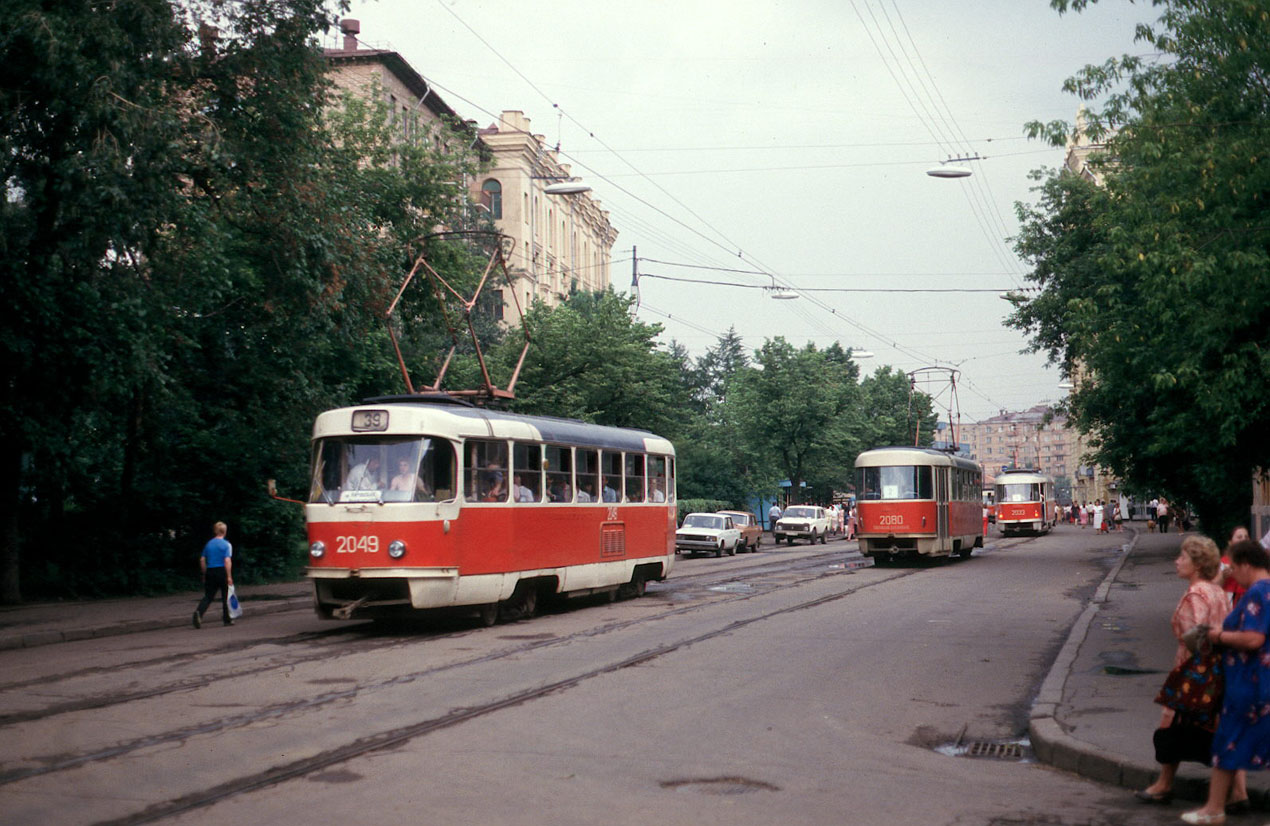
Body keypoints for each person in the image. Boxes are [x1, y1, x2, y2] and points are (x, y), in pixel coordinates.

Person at [1135, 535, 1229, 805]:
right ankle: (1237, 793)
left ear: (1197, 565)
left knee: (1171, 727)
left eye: (1183, 557)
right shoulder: (1218, 592)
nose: (1177, 561)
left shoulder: (1196, 594)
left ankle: (1163, 785)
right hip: (1217, 672)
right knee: (1218, 728)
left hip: (1191, 673)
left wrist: (1195, 657)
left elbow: (1197, 635)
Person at [1182, 539, 1270, 824]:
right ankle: (1217, 805)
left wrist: (1217, 636)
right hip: (1258, 682)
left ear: (1245, 564)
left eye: (1233, 567)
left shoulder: (1257, 592)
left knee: (1227, 742)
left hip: (1251, 683)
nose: (1232, 573)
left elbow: (1254, 638)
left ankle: (1214, 809)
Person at [193, 522, 234, 628]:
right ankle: (227, 619)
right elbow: (227, 560)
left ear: (215, 531)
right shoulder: (226, 544)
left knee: (208, 596)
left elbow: (202, 559)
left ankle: (199, 612)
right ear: (224, 531)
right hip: (222, 571)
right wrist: (229, 576)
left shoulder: (209, 544)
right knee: (226, 596)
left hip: (211, 571)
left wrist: (204, 573)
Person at [1221, 526, 1252, 603]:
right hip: (1231, 603)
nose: (1243, 539)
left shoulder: (1255, 560)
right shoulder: (1223, 562)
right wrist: (1223, 577)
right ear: (1230, 542)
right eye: (1239, 537)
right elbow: (1213, 586)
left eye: (1246, 537)